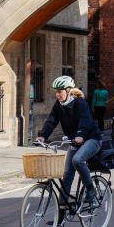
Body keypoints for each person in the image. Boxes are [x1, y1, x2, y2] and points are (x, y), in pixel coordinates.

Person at [35, 75, 102, 210]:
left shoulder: (80, 103)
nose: (57, 94)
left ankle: (90, 189)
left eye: (60, 91)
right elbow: (51, 121)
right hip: (74, 141)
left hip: (91, 139)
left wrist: (80, 135)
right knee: (67, 174)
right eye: (56, 92)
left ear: (68, 90)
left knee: (77, 160)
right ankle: (62, 208)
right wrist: (43, 136)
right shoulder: (59, 106)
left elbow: (85, 121)